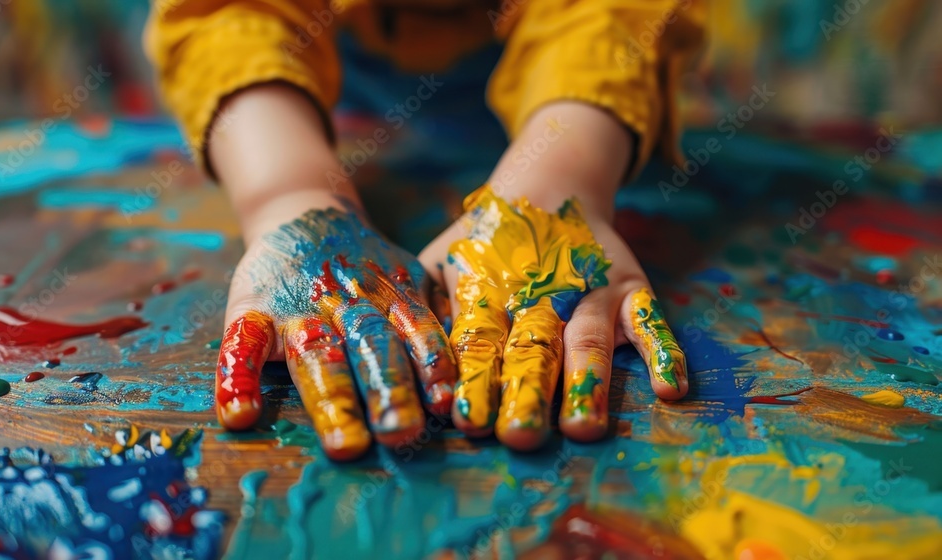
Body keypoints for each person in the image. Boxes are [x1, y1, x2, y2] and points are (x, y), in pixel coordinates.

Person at [145, 0, 703, 460]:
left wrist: (559, 180)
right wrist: (288, 193)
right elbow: (227, 16)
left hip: (584, 101)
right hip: (318, 101)